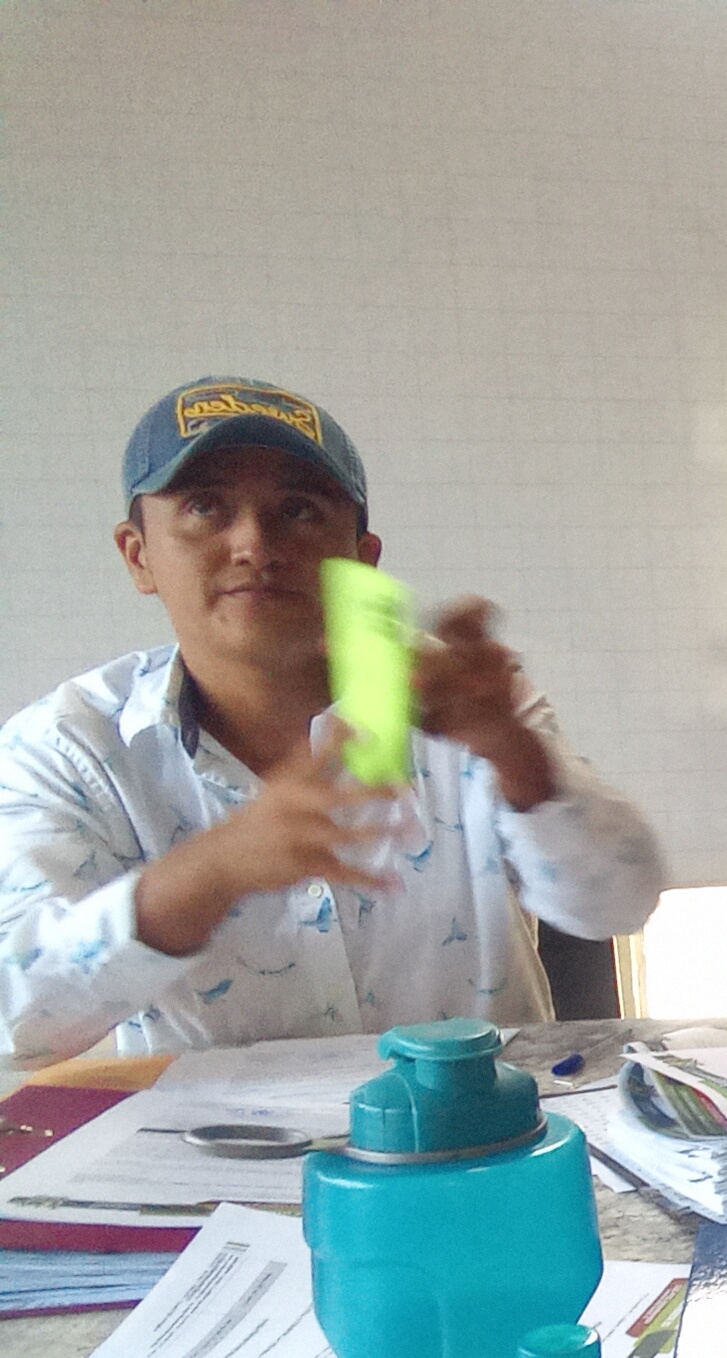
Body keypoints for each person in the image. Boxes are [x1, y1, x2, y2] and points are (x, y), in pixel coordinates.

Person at [0, 376, 665, 1065]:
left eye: (299, 510)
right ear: (138, 555)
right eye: (205, 507)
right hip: (219, 1133)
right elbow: (22, 1022)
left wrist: (517, 756)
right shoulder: (68, 748)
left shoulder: (462, 699)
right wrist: (211, 872)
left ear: (362, 558)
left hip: (475, 1123)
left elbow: (619, 906)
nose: (255, 543)